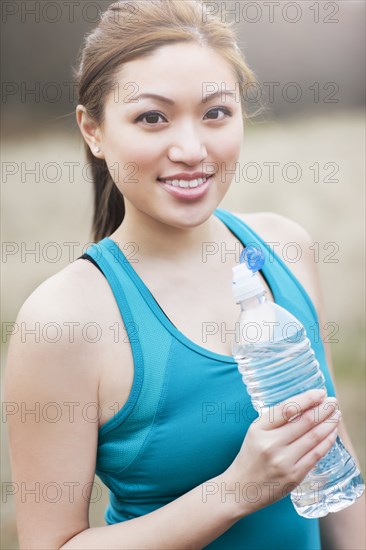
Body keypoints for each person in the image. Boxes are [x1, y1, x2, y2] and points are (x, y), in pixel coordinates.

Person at [5, 1, 365, 549]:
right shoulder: (65, 320)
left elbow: (332, 458)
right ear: (94, 131)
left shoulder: (284, 249)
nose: (192, 150)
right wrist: (236, 492)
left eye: (216, 113)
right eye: (152, 117)